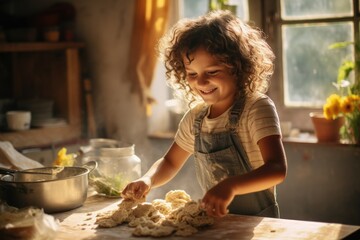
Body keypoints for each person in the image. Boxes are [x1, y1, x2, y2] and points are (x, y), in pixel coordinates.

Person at [121, 10, 287, 218]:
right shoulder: (196, 118)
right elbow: (170, 162)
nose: (200, 82)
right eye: (192, 74)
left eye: (212, 72)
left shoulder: (256, 108)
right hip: (216, 222)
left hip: (258, 225)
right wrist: (148, 180)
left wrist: (231, 187)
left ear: (238, 67)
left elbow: (276, 169)